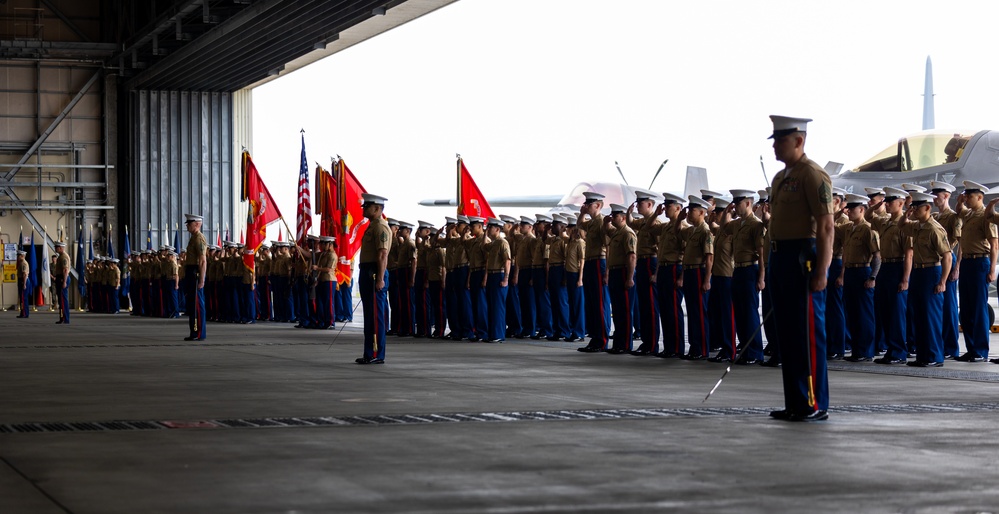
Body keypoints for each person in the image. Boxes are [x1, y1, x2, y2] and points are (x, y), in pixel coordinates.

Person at [765, 115, 834, 423]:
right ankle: (795, 401)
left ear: (799, 141)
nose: (776, 146)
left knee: (807, 334)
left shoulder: (813, 175)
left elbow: (826, 226)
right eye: (775, 141)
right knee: (787, 335)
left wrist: (822, 270)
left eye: (781, 141)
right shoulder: (780, 178)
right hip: (780, 257)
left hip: (803, 257)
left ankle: (814, 402)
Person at [866, 187, 912, 365]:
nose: (887, 204)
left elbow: (909, 254)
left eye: (890, 202)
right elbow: (869, 216)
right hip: (885, 267)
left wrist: (905, 279)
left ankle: (899, 352)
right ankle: (891, 350)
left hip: (898, 267)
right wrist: (878, 204)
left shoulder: (905, 225)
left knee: (896, 313)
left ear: (901, 204)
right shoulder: (884, 222)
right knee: (884, 310)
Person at [906, 192, 952, 367]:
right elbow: (902, 225)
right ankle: (923, 355)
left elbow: (947, 256)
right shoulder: (917, 226)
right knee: (919, 316)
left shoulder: (934, 228)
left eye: (917, 208)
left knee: (930, 316)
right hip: (918, 273)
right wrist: (906, 213)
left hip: (931, 271)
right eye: (913, 207)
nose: (914, 210)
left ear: (927, 208)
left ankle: (934, 356)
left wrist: (942, 281)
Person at [954, 181, 997, 362]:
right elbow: (959, 211)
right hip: (967, 264)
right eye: (966, 195)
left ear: (980, 197)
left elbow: (994, 245)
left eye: (970, 196)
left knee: (979, 309)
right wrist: (960, 200)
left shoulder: (986, 216)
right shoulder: (970, 214)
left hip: (980, 262)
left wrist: (992, 269)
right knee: (967, 308)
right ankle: (972, 349)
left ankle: (980, 351)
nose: (967, 199)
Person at [840, 194, 880, 362]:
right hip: (850, 272)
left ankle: (866, 351)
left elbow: (877, 256)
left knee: (864, 314)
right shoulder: (849, 228)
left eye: (852, 209)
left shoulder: (868, 229)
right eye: (847, 209)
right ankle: (857, 349)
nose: (848, 212)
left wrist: (872, 277)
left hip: (863, 272)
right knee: (852, 313)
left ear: (862, 210)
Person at [728, 189, 767, 365]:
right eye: (734, 203)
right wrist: (728, 211)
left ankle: (754, 352)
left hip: (751, 270)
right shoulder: (738, 224)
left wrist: (761, 277)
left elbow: (761, 253)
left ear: (748, 204)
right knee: (740, 313)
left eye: (738, 203)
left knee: (750, 313)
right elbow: (723, 226)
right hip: (738, 270)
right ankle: (744, 349)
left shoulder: (756, 225)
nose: (735, 206)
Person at [676, 195, 713, 360]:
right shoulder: (691, 231)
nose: (689, 213)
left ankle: (702, 348)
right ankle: (694, 346)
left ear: (702, 212)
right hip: (690, 272)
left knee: (699, 312)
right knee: (691, 311)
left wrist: (707, 280)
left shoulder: (705, 231)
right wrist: (679, 218)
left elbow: (709, 258)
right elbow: (677, 232)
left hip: (699, 272)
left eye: (692, 211)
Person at [651, 193, 687, 358]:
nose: (665, 208)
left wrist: (681, 277)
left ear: (678, 209)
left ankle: (677, 347)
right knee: (665, 310)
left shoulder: (684, 229)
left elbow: (686, 253)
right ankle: (669, 346)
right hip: (664, 269)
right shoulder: (665, 227)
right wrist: (655, 214)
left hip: (675, 268)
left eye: (669, 206)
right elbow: (648, 228)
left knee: (673, 309)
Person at [357, 193, 391, 364]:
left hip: (375, 273)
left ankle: (377, 353)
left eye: (367, 206)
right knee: (370, 315)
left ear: (377, 208)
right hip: (368, 271)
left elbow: (383, 254)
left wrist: (380, 279)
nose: (364, 209)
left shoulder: (380, 227)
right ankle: (369, 352)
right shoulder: (371, 227)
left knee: (377, 316)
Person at [627, 190, 662, 355]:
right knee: (643, 306)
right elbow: (631, 222)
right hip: (642, 262)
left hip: (650, 262)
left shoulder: (656, 224)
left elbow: (660, 250)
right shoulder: (642, 223)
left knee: (651, 306)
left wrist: (656, 273)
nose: (637, 205)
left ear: (649, 205)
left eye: (640, 203)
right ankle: (647, 342)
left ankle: (652, 344)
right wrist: (628, 212)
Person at [929, 181, 961, 359]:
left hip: (947, 259)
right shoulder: (934, 216)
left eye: (938, 195)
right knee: (936, 306)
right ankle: (939, 344)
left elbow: (960, 243)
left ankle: (951, 347)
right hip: (935, 261)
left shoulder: (953, 217)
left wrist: (957, 267)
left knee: (949, 306)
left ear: (946, 196)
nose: (935, 198)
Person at [577, 192, 612, 352]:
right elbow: (579, 225)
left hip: (599, 261)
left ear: (598, 205)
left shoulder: (602, 222)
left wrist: (607, 272)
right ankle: (595, 338)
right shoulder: (592, 223)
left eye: (588, 205)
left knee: (599, 303)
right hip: (591, 262)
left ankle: (602, 340)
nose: (586, 207)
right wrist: (582, 214)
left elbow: (609, 246)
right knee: (591, 303)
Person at [604, 203, 638, 354]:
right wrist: (606, 222)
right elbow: (607, 230)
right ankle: (618, 342)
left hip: (624, 272)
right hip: (616, 272)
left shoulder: (628, 233)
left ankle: (625, 344)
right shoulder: (617, 233)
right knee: (617, 310)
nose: (613, 218)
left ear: (623, 217)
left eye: (615, 216)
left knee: (625, 310)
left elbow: (631, 256)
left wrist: (630, 277)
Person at [484, 217, 512, 343]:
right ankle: (493, 333)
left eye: (490, 227)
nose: (488, 229)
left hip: (499, 275)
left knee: (498, 307)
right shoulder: (494, 243)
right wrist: (485, 233)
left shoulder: (502, 242)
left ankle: (498, 334)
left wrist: (506, 279)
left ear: (497, 229)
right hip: (491, 275)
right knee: (491, 306)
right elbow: (484, 247)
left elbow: (507, 261)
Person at [183, 214, 208, 341]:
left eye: (189, 223)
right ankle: (194, 331)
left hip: (195, 273)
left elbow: (203, 261)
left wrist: (202, 279)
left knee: (197, 304)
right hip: (191, 272)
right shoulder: (193, 238)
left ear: (197, 224)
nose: (187, 225)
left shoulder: (199, 238)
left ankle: (198, 333)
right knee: (192, 304)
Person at [564, 216, 586, 342]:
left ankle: (579, 332)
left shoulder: (580, 243)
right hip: (569, 274)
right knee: (572, 304)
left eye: (569, 228)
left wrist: (580, 278)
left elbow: (581, 261)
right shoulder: (570, 243)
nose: (567, 230)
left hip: (576, 274)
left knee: (578, 305)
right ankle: (574, 330)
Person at [54, 241, 71, 324]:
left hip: (62, 278)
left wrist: (64, 281)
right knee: (61, 300)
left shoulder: (64, 257)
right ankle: (62, 317)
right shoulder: (60, 256)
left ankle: (65, 318)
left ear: (61, 248)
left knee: (63, 300)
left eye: (56, 247)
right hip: (60, 278)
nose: (55, 249)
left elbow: (65, 270)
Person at [16, 250, 29, 318]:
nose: (17, 257)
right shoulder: (21, 263)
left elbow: (24, 274)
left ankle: (24, 313)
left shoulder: (23, 263)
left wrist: (24, 284)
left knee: (24, 298)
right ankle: (23, 313)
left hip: (23, 281)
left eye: (18, 255)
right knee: (22, 298)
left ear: (22, 256)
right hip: (21, 280)